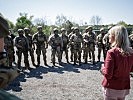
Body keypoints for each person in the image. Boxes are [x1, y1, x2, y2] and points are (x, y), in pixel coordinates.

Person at [100, 25, 133, 100]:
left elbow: (108, 75)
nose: (108, 36)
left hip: (111, 88)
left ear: (115, 36)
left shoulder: (111, 52)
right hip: (123, 87)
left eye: (110, 34)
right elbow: (131, 69)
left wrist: (102, 68)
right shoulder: (131, 52)